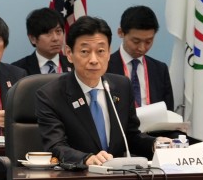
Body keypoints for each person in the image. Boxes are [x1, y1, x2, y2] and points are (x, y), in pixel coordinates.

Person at [37, 16, 168, 166]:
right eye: (85, 51)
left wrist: (155, 144)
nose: (94, 59)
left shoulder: (121, 86)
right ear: (69, 53)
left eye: (100, 51)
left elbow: (130, 137)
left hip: (118, 177)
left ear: (108, 52)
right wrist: (86, 159)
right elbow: (56, 146)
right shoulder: (50, 95)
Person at [106, 5, 176, 111]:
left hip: (155, 127)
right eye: (136, 41)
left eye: (148, 41)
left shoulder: (160, 69)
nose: (142, 48)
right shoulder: (104, 67)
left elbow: (169, 111)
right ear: (121, 33)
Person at [10, 7, 71, 75]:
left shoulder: (74, 64)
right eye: (48, 33)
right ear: (33, 38)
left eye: (58, 31)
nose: (55, 38)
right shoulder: (17, 69)